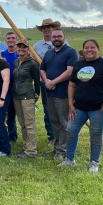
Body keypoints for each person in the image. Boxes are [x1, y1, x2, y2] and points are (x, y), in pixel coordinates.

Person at [61, 39, 103, 173]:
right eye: (86, 48)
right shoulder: (78, 64)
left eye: (92, 47)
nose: (89, 50)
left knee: (95, 134)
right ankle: (69, 160)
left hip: (98, 108)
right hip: (79, 107)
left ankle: (94, 163)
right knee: (71, 130)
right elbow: (72, 84)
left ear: (98, 49)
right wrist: (70, 103)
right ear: (83, 50)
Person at [40, 29, 78, 160]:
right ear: (51, 38)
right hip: (50, 94)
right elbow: (42, 69)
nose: (56, 38)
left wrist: (53, 82)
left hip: (63, 94)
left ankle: (63, 150)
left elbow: (70, 71)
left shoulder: (71, 52)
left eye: (59, 36)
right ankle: (57, 148)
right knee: (54, 121)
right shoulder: (49, 53)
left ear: (64, 37)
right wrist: (46, 81)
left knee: (64, 122)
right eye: (54, 36)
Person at [33, 18, 61, 146]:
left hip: (60, 82)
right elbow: (32, 62)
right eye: (44, 28)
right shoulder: (36, 47)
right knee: (48, 109)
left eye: (49, 27)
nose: (46, 30)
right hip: (43, 82)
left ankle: (62, 136)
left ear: (54, 28)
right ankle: (52, 136)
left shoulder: (63, 43)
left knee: (61, 109)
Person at [12, 39, 41, 158]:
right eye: (19, 47)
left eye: (24, 47)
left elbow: (37, 80)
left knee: (29, 124)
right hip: (16, 96)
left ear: (28, 49)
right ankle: (26, 147)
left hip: (27, 96)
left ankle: (32, 150)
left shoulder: (32, 63)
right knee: (22, 124)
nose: (21, 49)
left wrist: (37, 94)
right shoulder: (16, 62)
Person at [1, 31, 19, 142]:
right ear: (6, 40)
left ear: (15, 40)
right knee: (8, 111)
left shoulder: (20, 54)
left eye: (13, 38)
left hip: (17, 85)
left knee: (16, 111)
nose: (11, 40)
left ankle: (13, 135)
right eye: (8, 38)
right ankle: (11, 135)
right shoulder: (2, 54)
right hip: (5, 85)